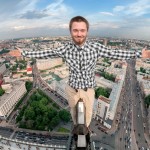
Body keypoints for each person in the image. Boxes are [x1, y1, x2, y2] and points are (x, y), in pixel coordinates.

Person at [20, 16, 150, 133]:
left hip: (88, 89)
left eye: (82, 30)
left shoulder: (95, 47)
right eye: (75, 30)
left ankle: (85, 129)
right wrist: (24, 53)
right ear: (70, 31)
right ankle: (76, 126)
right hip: (72, 89)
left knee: (88, 114)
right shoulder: (65, 48)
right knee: (74, 112)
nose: (79, 34)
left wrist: (138, 54)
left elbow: (114, 53)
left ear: (87, 31)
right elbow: (46, 53)